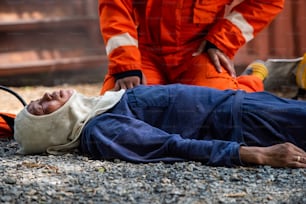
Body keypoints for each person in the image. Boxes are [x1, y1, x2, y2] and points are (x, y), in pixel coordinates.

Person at [14, 84, 306, 168]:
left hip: (244, 106)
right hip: (247, 123)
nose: (47, 96)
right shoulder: (99, 129)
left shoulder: (100, 108)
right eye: (41, 107)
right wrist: (260, 155)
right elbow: (172, 146)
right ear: (50, 129)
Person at [98, 0, 284, 94]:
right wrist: (127, 66)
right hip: (145, 53)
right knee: (117, 110)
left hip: (199, 53)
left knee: (218, 113)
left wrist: (222, 41)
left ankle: (251, 82)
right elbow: (115, 6)